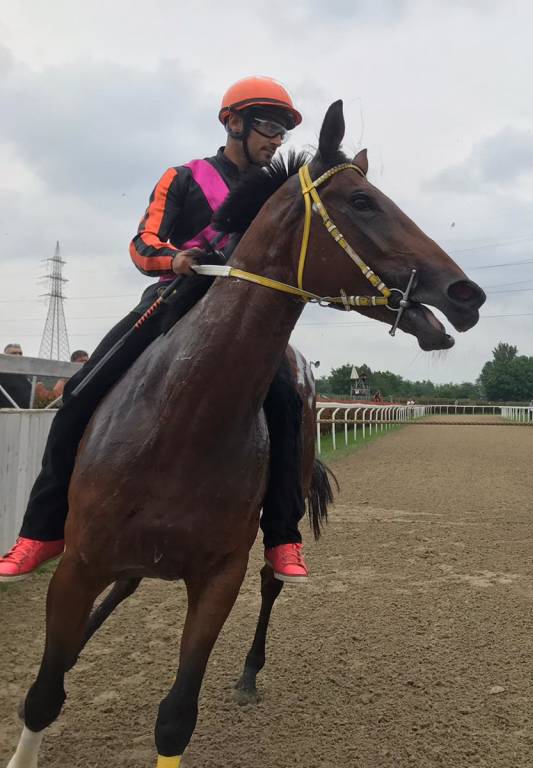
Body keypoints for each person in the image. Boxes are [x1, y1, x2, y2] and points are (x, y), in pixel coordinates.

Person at [0, 76, 312, 584]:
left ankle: (282, 537)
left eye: (283, 131)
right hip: (173, 298)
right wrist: (175, 257)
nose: (277, 139)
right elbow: (143, 242)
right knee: (79, 391)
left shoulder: (279, 193)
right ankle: (41, 532)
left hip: (247, 319)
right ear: (233, 122)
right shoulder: (184, 176)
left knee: (286, 407)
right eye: (270, 126)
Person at [0, 343, 32, 409]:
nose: (18, 356)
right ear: (5, 356)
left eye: (20, 353)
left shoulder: (25, 377)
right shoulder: (1, 374)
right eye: (14, 353)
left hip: (26, 415)